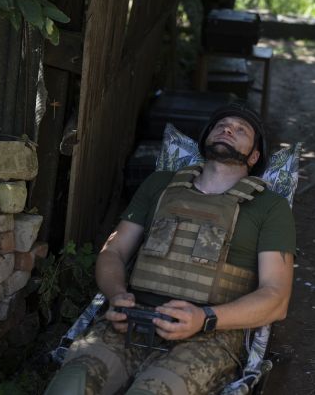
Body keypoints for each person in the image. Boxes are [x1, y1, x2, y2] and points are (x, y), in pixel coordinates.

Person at [45, 103, 296, 395]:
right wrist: (116, 296)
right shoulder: (160, 184)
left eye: (241, 130)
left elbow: (276, 299)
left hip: (210, 336)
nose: (228, 129)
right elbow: (113, 252)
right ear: (205, 140)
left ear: (254, 156)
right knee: (68, 387)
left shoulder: (270, 206)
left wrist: (206, 318)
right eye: (221, 124)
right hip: (132, 320)